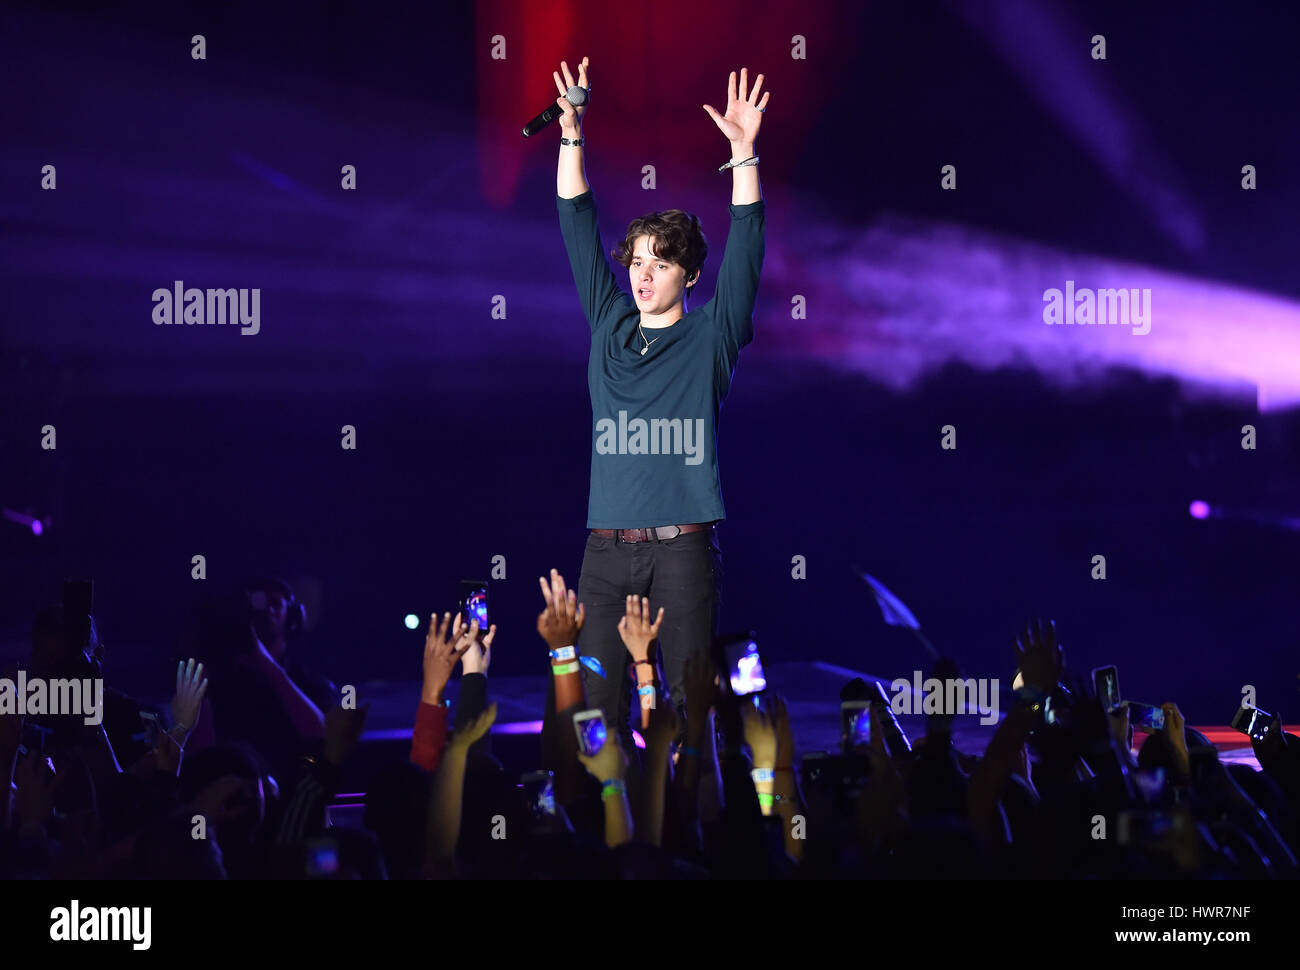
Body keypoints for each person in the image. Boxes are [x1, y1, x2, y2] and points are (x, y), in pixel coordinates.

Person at [553, 57, 769, 750]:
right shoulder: (609, 323)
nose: (643, 275)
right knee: (592, 714)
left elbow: (747, 251)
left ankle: (694, 837)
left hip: (683, 551)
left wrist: (743, 155)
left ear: (689, 274)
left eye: (661, 263)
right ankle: (602, 843)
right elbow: (575, 220)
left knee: (689, 710)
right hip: (605, 554)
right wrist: (572, 136)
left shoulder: (712, 334)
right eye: (637, 261)